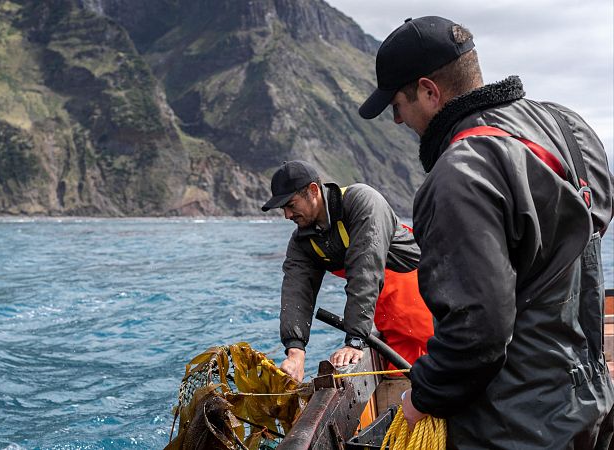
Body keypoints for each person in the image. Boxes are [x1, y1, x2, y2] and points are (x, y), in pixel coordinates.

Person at [359, 16, 614, 448]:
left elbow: (478, 332)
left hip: (514, 424)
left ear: (428, 91)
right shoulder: (566, 127)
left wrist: (421, 395)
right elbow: (595, 218)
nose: (398, 121)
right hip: (589, 399)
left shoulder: (458, 174)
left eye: (397, 105)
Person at [261, 160, 433, 382]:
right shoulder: (302, 240)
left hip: (427, 302)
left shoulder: (363, 201)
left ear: (313, 191)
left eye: (291, 205)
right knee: (399, 376)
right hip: (386, 315)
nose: (286, 215)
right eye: (282, 208)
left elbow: (366, 270)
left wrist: (354, 340)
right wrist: (295, 352)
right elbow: (296, 290)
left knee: (437, 371)